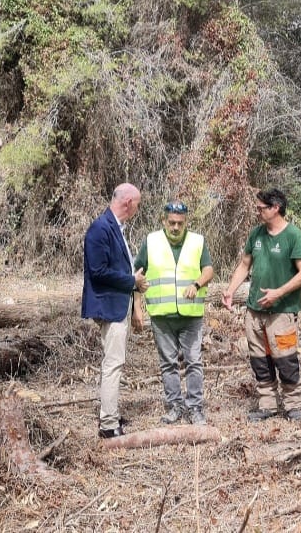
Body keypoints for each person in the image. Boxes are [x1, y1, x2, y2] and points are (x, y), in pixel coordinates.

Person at [222, 189, 301, 422]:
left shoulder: (293, 235)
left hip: (282, 312)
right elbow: (244, 265)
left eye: (262, 208)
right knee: (259, 359)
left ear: (276, 208)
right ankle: (268, 404)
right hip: (254, 311)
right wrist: (230, 291)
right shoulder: (256, 234)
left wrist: (278, 293)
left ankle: (293, 405)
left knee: (286, 358)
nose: (258, 211)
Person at [133, 201, 214, 426]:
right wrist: (137, 307)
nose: (176, 227)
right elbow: (138, 275)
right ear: (163, 221)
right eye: (171, 223)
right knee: (168, 363)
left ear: (186, 221)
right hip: (161, 315)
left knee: (194, 362)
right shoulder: (151, 241)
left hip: (191, 315)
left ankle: (195, 407)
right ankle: (175, 406)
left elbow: (208, 269)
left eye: (180, 223)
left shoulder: (198, 241)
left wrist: (197, 284)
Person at [82, 183, 149, 439]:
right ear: (129, 203)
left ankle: (110, 413)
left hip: (118, 305)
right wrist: (132, 281)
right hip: (109, 307)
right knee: (113, 364)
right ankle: (108, 424)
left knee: (115, 363)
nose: (137, 209)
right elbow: (98, 272)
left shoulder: (115, 228)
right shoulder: (100, 229)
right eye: (138, 204)